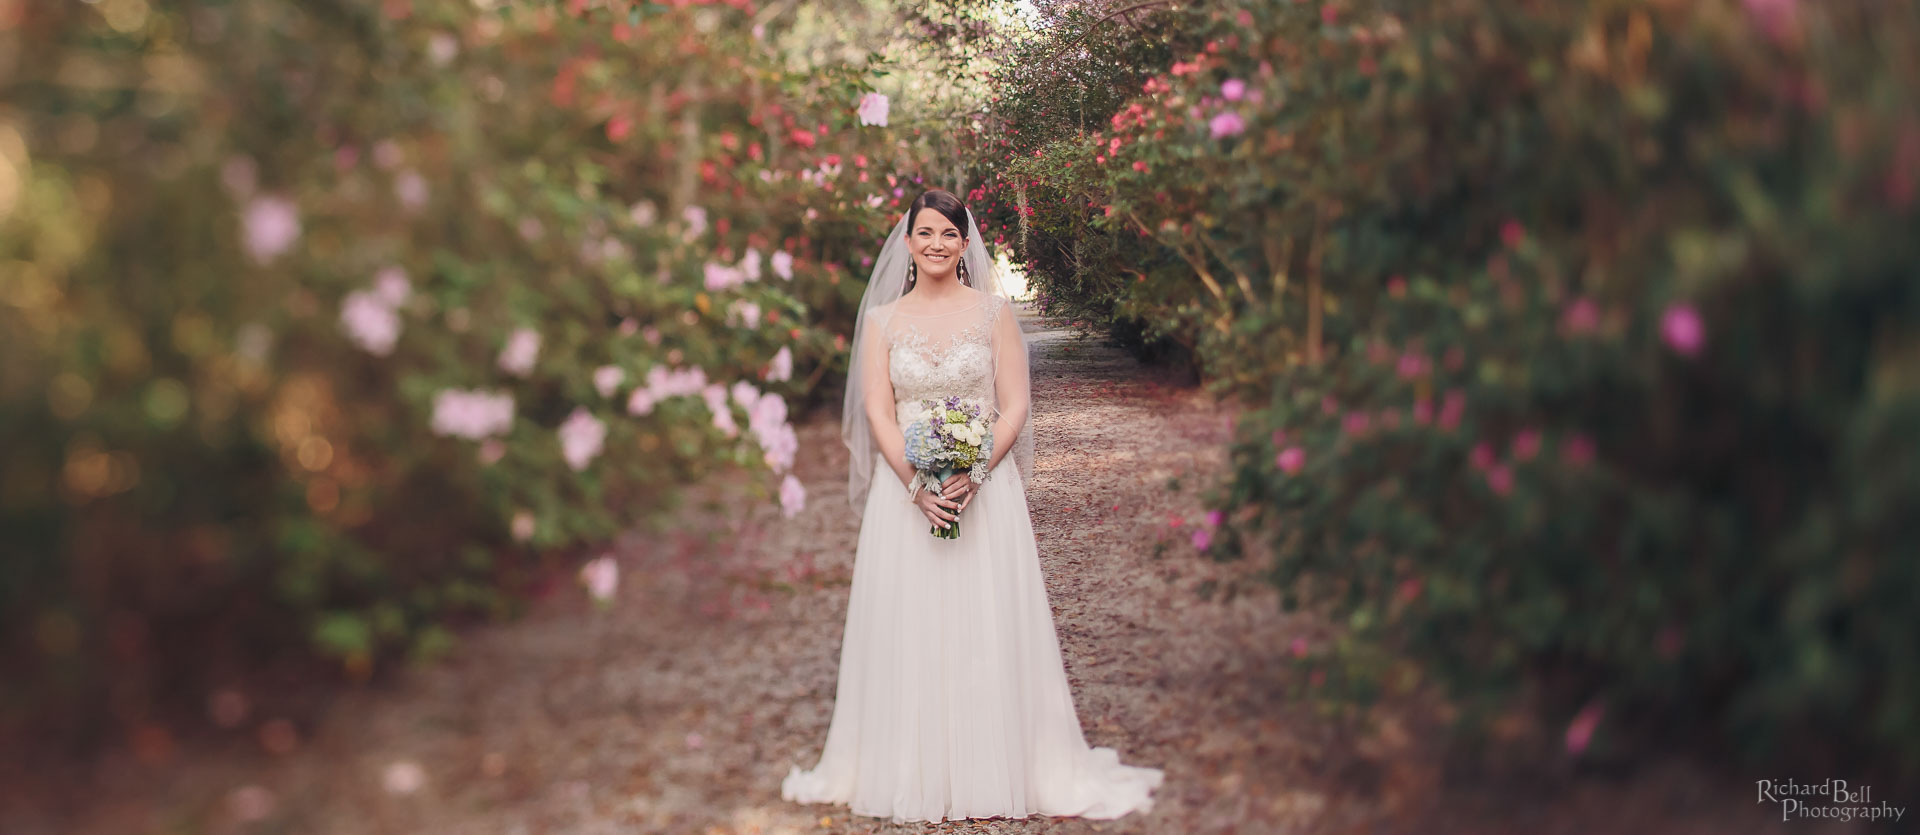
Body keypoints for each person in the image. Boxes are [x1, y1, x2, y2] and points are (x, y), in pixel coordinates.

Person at [780, 189, 1165, 824]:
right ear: (907, 242)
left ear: (965, 245)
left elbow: (1013, 403)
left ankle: (998, 763)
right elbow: (879, 410)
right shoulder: (882, 322)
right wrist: (916, 485)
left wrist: (976, 470)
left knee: (984, 617)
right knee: (911, 621)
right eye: (924, 233)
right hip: (905, 494)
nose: (935, 244)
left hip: (985, 491)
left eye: (948, 235)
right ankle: (909, 764)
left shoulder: (993, 315)